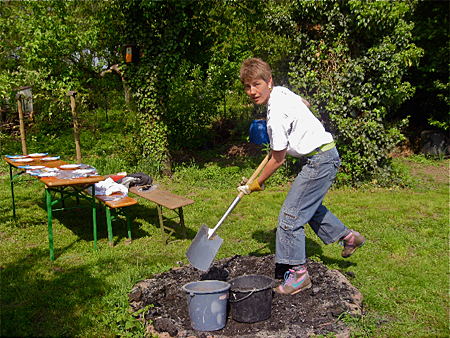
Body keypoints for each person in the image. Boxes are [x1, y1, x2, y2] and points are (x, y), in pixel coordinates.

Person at [237, 58, 365, 295]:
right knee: (309, 208)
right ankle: (348, 237)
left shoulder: (274, 116)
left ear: (269, 82)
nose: (252, 91)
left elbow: (278, 159)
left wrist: (255, 184)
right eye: (247, 86)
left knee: (290, 216)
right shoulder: (283, 93)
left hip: (321, 161)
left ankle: (298, 275)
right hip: (324, 156)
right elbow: (304, 103)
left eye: (257, 84)